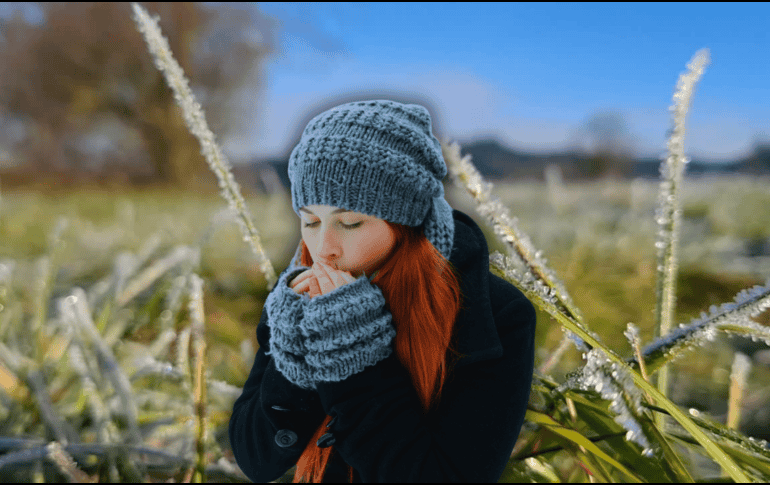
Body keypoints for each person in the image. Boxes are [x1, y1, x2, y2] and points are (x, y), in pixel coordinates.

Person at [229, 99, 536, 482]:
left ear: (404, 221)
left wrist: (355, 362)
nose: (324, 249)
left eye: (350, 223)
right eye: (311, 222)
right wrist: (295, 365)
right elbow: (255, 460)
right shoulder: (296, 295)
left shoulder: (495, 314)